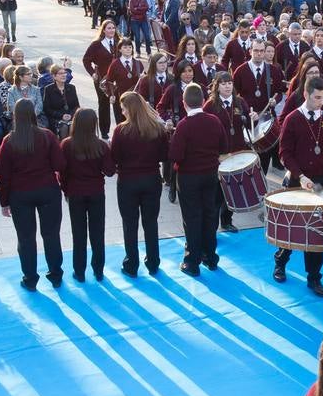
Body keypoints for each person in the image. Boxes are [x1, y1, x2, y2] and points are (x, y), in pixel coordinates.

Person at [274, 76, 323, 296]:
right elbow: (285, 153)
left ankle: (314, 277)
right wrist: (300, 176)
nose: (321, 102)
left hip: (321, 181)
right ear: (306, 95)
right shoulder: (293, 119)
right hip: (298, 182)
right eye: (317, 98)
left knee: (317, 233)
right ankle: (280, 262)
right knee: (294, 230)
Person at [0, 98, 66, 291]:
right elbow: (60, 164)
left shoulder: (9, 141)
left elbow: (3, 175)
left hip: (20, 193)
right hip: (47, 190)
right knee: (51, 234)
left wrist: (4, 202)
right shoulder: (47, 136)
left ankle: (30, 277)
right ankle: (56, 274)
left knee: (25, 238)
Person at [169, 83, 226, 277]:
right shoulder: (214, 121)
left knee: (192, 219)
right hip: (210, 175)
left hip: (189, 178)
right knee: (210, 216)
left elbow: (175, 155)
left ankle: (192, 261)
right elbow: (223, 146)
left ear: (184, 103)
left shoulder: (184, 126)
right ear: (203, 101)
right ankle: (210, 257)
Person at [110, 91, 169, 277]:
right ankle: (153, 262)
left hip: (128, 181)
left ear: (129, 109)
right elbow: (164, 155)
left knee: (130, 224)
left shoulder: (121, 130)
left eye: (123, 109)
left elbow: (114, 158)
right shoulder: (156, 128)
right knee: (150, 223)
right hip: (151, 179)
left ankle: (131, 264)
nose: (122, 112)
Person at [60, 108, 115, 281]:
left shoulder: (67, 145)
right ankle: (98, 269)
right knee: (98, 232)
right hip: (96, 192)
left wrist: (66, 190)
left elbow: (62, 171)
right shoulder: (100, 145)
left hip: (75, 192)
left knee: (79, 233)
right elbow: (110, 171)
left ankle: (79, 271)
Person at [203, 71, 250, 233]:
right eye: (223, 83)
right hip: (220, 155)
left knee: (232, 191)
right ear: (217, 86)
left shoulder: (240, 102)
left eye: (229, 82)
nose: (227, 86)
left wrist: (252, 118)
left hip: (237, 152)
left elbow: (249, 125)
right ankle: (212, 225)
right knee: (217, 192)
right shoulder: (210, 105)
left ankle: (226, 220)